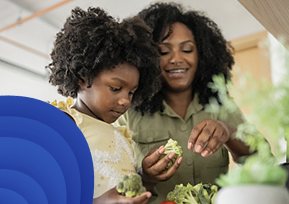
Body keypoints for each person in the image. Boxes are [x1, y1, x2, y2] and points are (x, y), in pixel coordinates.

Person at [115, 2, 253, 203]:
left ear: (202, 55)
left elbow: (261, 156)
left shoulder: (219, 103)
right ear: (147, 58)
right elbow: (114, 189)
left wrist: (228, 132)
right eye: (164, 52)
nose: (176, 59)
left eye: (187, 49)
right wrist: (146, 178)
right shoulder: (126, 110)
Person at [46, 7, 182, 204]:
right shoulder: (65, 123)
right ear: (83, 77)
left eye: (131, 92)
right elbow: (45, 193)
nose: (125, 101)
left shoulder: (122, 135)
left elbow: (125, 193)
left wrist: (146, 178)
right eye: (116, 88)